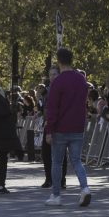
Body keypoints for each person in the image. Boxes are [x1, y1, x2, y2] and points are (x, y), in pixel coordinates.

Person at [44, 47, 91, 207]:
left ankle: (56, 195)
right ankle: (84, 188)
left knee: (57, 162)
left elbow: (52, 108)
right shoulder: (81, 80)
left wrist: (49, 130)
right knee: (77, 160)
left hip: (60, 128)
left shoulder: (58, 82)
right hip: (77, 126)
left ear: (59, 61)